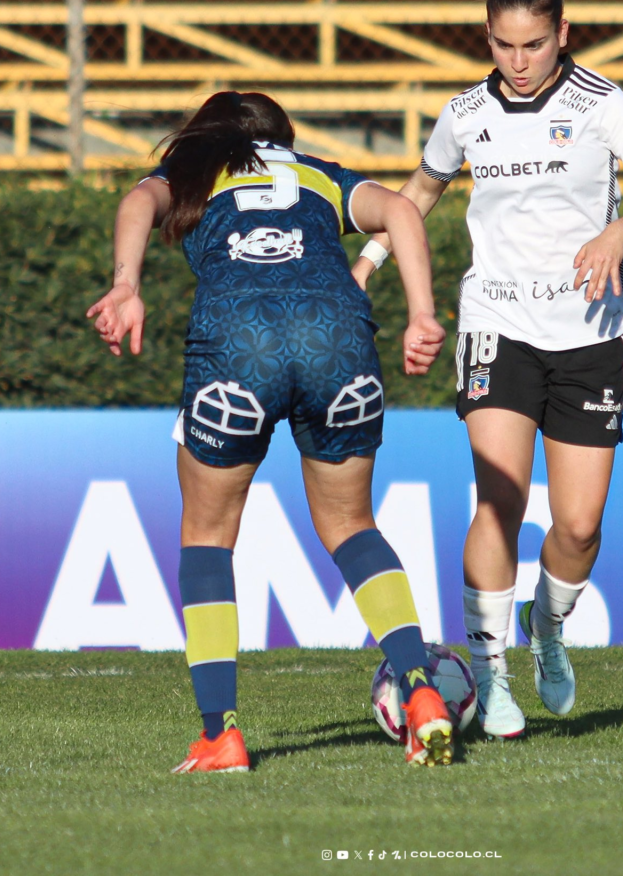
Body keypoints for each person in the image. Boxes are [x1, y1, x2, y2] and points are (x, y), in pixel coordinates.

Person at [353, 0, 623, 738]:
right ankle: (492, 672)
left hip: (590, 335)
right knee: (498, 500)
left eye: (532, 44)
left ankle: (550, 626)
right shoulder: (465, 114)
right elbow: (422, 190)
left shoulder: (605, 104)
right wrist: (368, 259)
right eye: (502, 45)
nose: (517, 61)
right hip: (496, 326)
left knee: (576, 527)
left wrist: (621, 234)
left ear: (563, 33)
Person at [88, 91, 453, 769]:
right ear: (282, 134)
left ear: (207, 133)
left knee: (207, 534)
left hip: (239, 339)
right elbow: (402, 209)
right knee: (351, 525)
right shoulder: (316, 172)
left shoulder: (193, 173)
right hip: (337, 334)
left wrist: (125, 285)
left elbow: (138, 202)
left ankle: (220, 732)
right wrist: (421, 313)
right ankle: (422, 691)